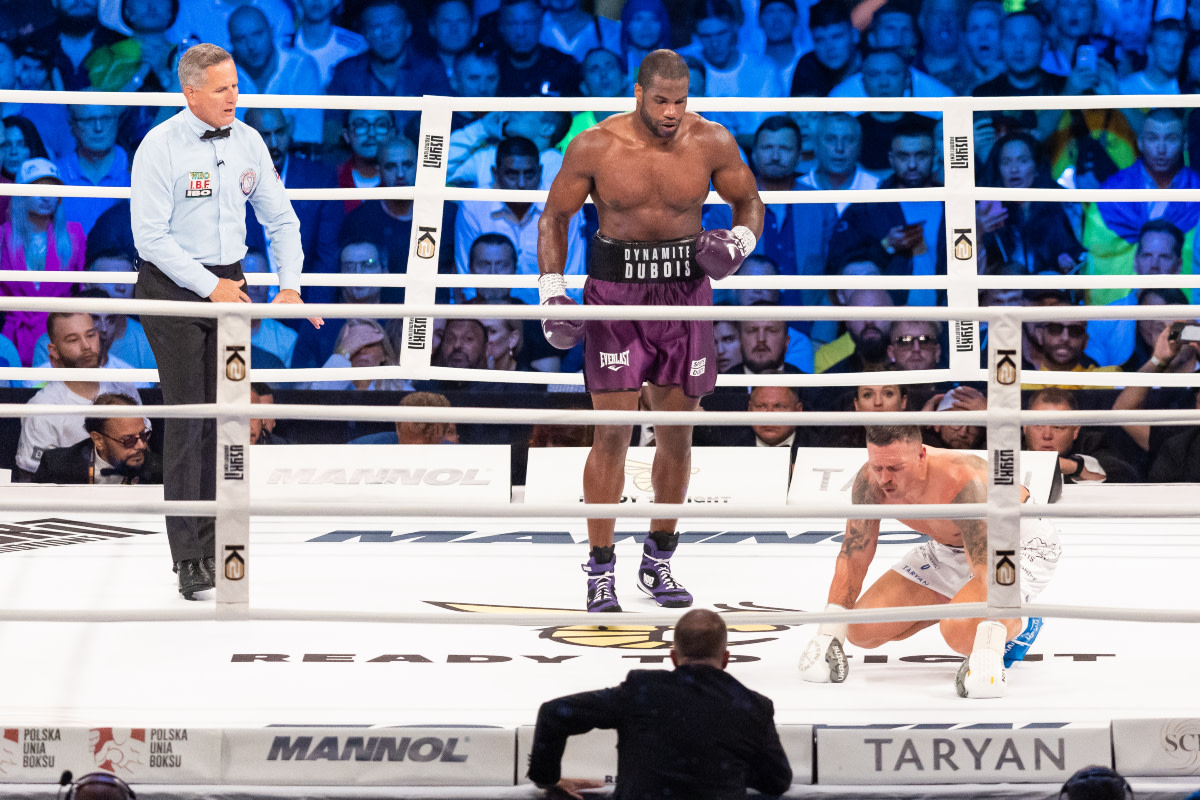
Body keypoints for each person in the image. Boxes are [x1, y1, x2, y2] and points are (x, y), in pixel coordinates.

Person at [538, 48, 762, 612]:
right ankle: (600, 568)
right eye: (661, 101)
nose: (671, 113)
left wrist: (739, 243)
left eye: (680, 102)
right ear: (638, 92)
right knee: (612, 433)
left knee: (677, 434)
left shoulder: (711, 140)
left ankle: (659, 558)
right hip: (616, 296)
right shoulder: (595, 145)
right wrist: (552, 291)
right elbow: (555, 217)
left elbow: (749, 202)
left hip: (685, 294)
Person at [130, 42, 319, 599]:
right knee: (190, 417)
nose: (233, 96)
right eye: (221, 89)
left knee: (227, 418)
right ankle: (189, 556)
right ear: (190, 93)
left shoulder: (250, 140)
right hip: (173, 287)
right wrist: (209, 287)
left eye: (235, 85)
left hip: (230, 281)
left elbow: (281, 220)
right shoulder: (158, 146)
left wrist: (289, 286)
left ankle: (218, 542)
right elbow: (150, 238)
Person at [798, 424, 1062, 698]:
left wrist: (988, 645)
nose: (885, 479)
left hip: (1013, 548)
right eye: (878, 467)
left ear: (921, 456)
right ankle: (964, 603)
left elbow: (987, 571)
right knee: (861, 629)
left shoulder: (965, 482)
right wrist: (828, 632)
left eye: (895, 468)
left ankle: (1022, 620)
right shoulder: (869, 481)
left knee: (961, 634)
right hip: (949, 549)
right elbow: (854, 553)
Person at [528, 608, 792, 798]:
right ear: (726, 658)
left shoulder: (642, 690)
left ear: (673, 657)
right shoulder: (752, 706)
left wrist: (547, 780)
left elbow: (555, 713)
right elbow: (777, 782)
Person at [15, 312, 141, 479]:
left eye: (90, 335)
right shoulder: (42, 408)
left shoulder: (124, 388)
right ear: (54, 351)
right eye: (73, 340)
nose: (86, 345)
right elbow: (31, 479)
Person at [0, 158, 87, 366]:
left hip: (59, 332)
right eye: (38, 188)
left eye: (52, 189)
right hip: (13, 335)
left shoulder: (74, 234)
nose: (46, 196)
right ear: (21, 194)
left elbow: (83, 288)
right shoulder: (3, 236)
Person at [228, 6, 324, 146]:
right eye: (240, 39)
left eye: (258, 34)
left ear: (271, 32)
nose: (251, 46)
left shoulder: (300, 67)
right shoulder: (219, 74)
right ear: (231, 43)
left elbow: (310, 139)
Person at [33, 392, 161, 485]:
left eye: (143, 435)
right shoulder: (56, 466)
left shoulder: (159, 471)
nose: (141, 446)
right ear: (99, 440)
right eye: (129, 440)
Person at [1025, 387, 1139, 483]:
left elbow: (1125, 477)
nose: (1047, 435)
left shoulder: (1092, 444)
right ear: (1024, 427)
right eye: (1038, 425)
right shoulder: (1013, 447)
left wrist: (1074, 468)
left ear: (1075, 431)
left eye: (1057, 427)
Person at [58, 103, 130, 235]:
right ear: (72, 126)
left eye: (106, 118)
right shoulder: (55, 176)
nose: (98, 128)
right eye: (88, 120)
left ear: (116, 121)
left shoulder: (137, 172)